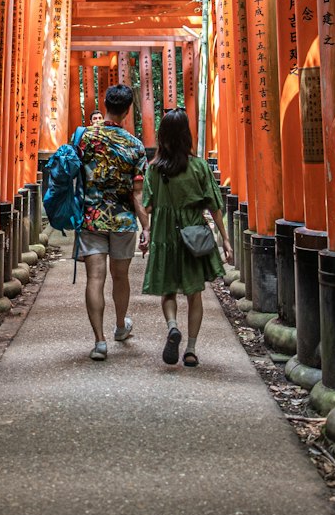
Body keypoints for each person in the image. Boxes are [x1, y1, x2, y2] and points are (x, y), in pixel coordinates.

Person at [140, 108, 233, 367]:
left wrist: (145, 232)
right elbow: (214, 205)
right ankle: (190, 349)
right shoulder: (199, 167)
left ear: (163, 137)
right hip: (192, 234)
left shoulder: (154, 170)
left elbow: (147, 205)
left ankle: (172, 326)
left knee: (168, 292)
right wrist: (224, 238)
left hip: (164, 234)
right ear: (186, 136)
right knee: (195, 294)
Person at [75, 84, 148, 361]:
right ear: (128, 111)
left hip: (91, 217)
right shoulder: (135, 146)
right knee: (120, 277)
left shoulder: (85, 138)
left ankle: (99, 342)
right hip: (123, 220)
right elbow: (138, 193)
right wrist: (147, 227)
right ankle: (120, 327)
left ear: (104, 104)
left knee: (95, 278)